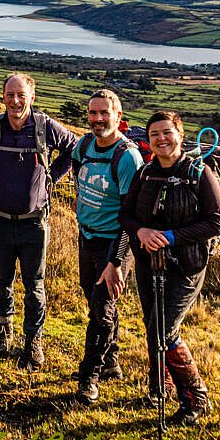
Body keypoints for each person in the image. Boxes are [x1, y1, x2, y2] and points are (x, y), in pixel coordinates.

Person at [0, 73, 77, 369]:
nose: (15, 101)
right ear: (2, 97)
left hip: (34, 224)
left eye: (21, 95)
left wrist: (51, 178)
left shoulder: (44, 127)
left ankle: (33, 342)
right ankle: (4, 332)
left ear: (32, 97)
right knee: (1, 281)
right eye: (10, 95)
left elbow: (74, 148)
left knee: (34, 284)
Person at [121, 111, 220, 426]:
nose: (161, 139)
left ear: (180, 134)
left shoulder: (199, 173)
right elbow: (125, 214)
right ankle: (159, 387)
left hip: (186, 267)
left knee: (163, 330)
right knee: (152, 323)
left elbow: (217, 222)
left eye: (167, 133)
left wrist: (171, 237)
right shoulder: (145, 173)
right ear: (149, 140)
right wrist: (140, 232)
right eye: (155, 135)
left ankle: (195, 398)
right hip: (149, 263)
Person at [71, 88, 143, 404]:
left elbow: (132, 215)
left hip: (114, 243)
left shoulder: (127, 157)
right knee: (96, 301)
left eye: (104, 113)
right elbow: (77, 174)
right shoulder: (84, 145)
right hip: (86, 237)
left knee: (101, 311)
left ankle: (89, 377)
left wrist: (115, 261)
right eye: (93, 113)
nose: (98, 119)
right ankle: (111, 361)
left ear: (118, 116)